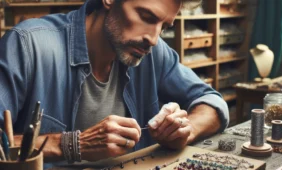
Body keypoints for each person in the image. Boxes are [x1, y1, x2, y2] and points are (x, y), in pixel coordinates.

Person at [0, 0, 229, 167]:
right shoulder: (28, 45)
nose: (154, 38)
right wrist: (72, 144)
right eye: (147, 17)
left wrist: (185, 130)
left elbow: (212, 103)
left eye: (164, 27)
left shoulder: (152, 54)